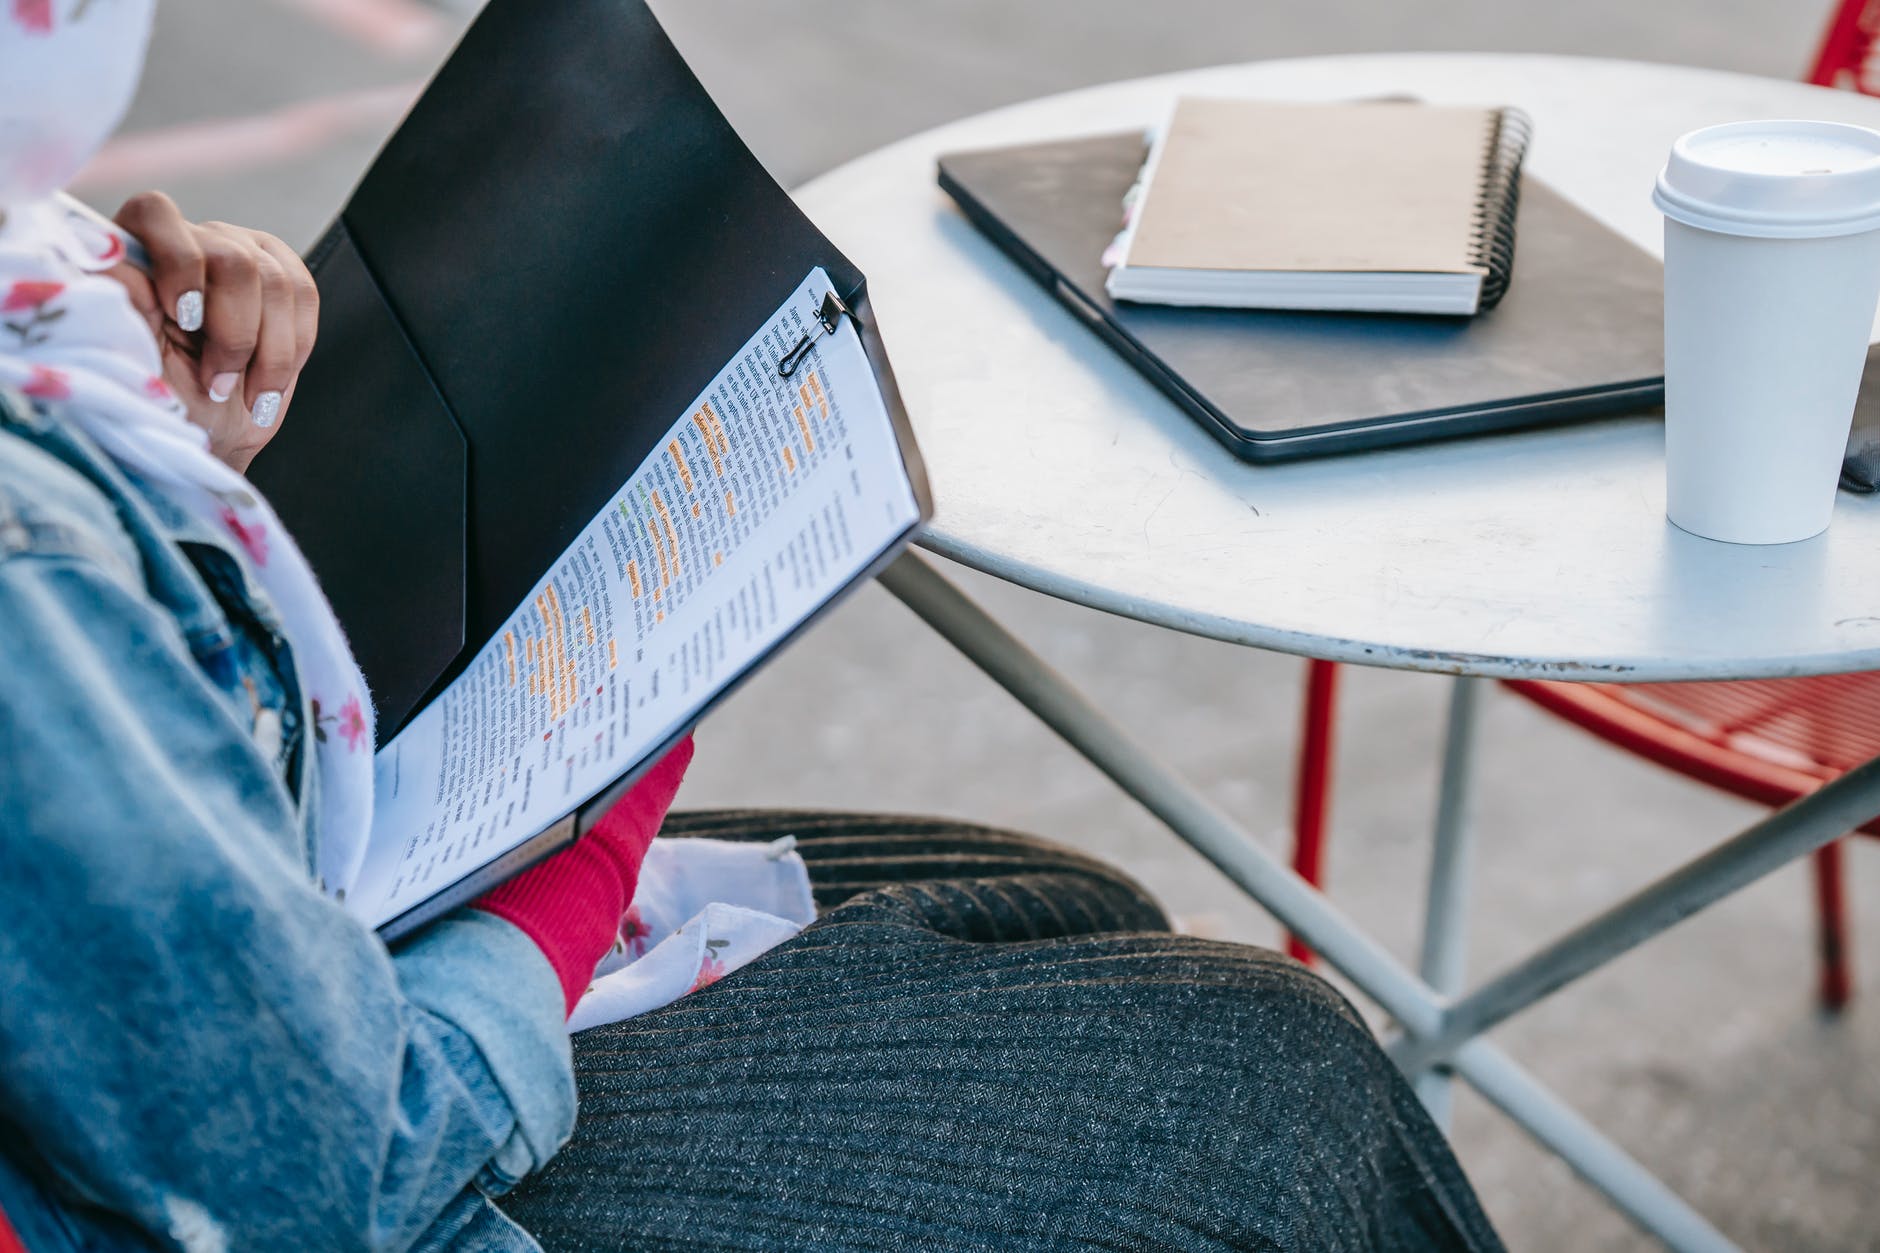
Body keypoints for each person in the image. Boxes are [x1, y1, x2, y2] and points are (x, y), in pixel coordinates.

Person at [0, 5, 1505, 1250]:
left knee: (1058, 895)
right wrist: (593, 798)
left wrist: (182, 476)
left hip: (261, 927)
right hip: (310, 1161)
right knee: (1270, 1076)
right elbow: (337, 1168)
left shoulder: (41, 311)